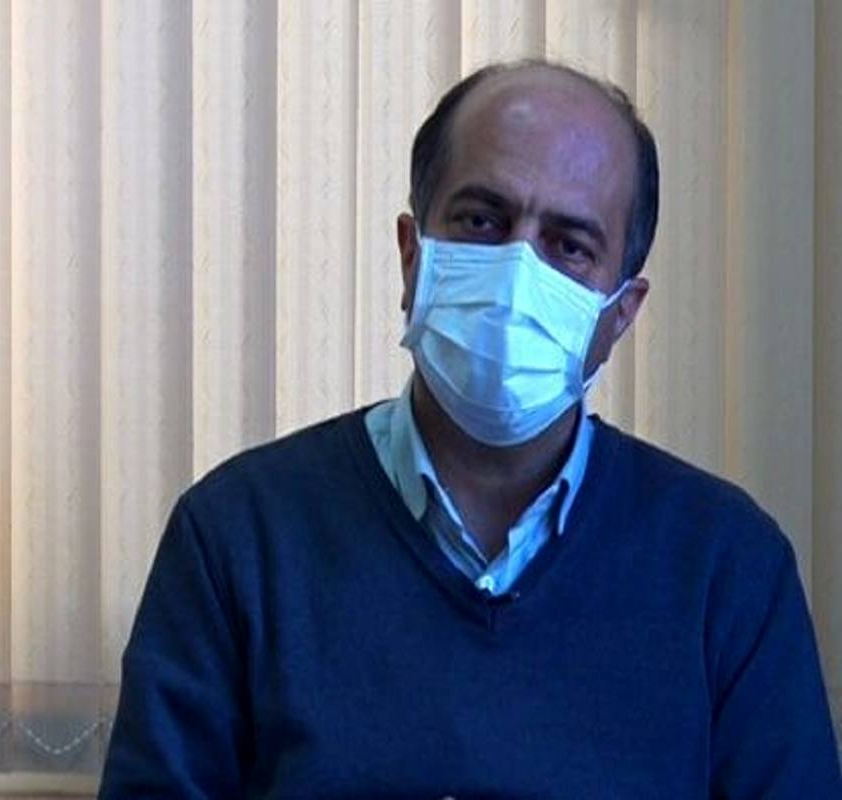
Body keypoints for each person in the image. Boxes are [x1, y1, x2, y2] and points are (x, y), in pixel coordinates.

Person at [99, 60, 842, 799]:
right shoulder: (237, 536)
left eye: (569, 245)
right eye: (483, 221)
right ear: (411, 256)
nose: (518, 273)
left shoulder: (728, 569)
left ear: (620, 313)